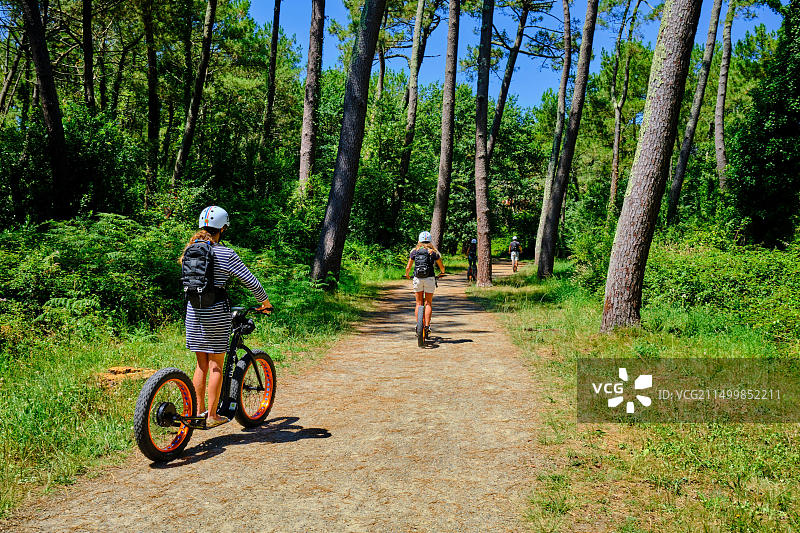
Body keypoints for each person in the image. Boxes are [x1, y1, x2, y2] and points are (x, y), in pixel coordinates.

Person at [181, 206, 272, 428]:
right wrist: (265, 303)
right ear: (222, 228)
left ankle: (198, 412)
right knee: (216, 365)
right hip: (216, 312)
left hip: (193, 311)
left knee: (201, 364)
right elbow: (251, 281)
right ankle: (212, 416)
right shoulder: (226, 253)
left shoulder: (191, 249)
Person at [404, 231, 445, 337]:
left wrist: (407, 275)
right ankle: (427, 326)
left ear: (419, 240)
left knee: (418, 303)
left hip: (417, 279)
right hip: (429, 279)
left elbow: (408, 267)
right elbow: (442, 267)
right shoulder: (433, 252)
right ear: (430, 241)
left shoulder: (414, 251)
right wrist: (442, 273)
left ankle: (418, 326)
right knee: (428, 303)